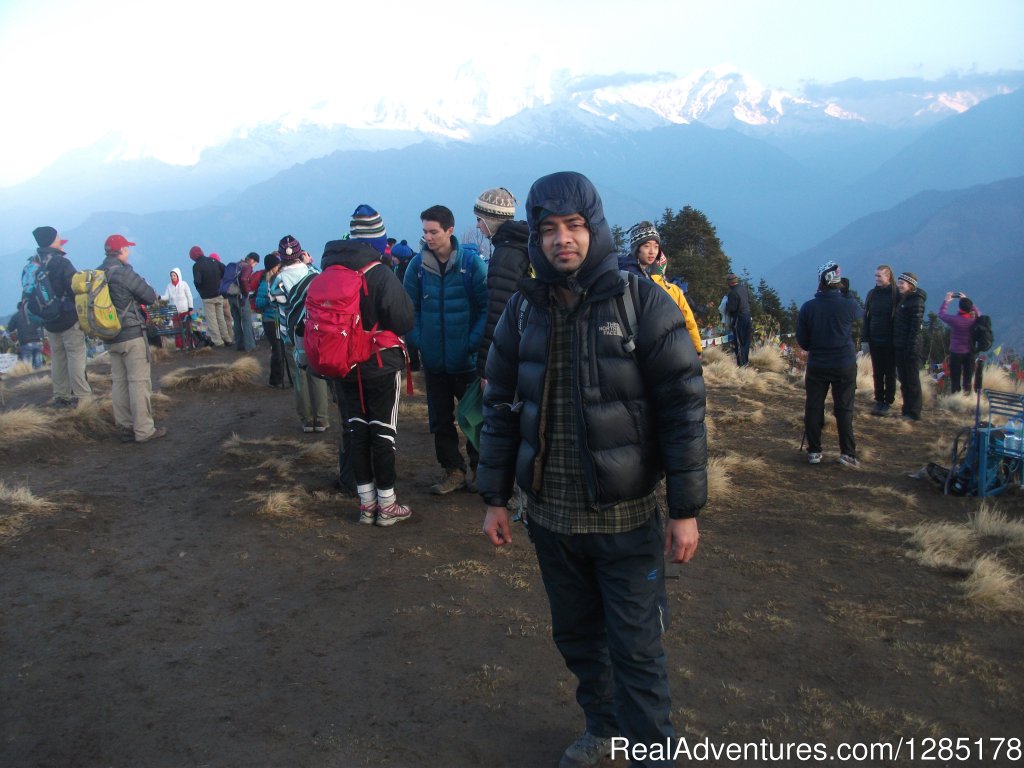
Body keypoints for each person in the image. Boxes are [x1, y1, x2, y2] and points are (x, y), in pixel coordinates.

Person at [479, 171, 707, 768]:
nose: (563, 241)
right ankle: (602, 729)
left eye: (574, 227)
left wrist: (685, 509)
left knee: (635, 644)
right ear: (535, 237)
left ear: (595, 228)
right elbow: (500, 407)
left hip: (624, 515)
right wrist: (495, 497)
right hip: (550, 517)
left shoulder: (641, 302)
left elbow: (684, 407)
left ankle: (653, 747)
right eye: (550, 229)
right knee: (578, 636)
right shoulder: (523, 314)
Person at [321, 205, 415, 525]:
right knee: (383, 434)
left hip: (343, 366)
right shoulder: (379, 273)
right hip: (379, 366)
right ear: (378, 240)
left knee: (356, 432)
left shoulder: (328, 270)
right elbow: (404, 319)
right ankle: (387, 506)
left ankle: (366, 505)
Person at [402, 204, 487, 495]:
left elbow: (487, 307)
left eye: (433, 231)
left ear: (449, 230)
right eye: (424, 230)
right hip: (435, 361)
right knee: (440, 421)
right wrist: (419, 341)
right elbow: (408, 307)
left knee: (475, 419)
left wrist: (472, 343)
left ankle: (481, 470)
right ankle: (453, 470)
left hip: (467, 360)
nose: (428, 236)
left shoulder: (471, 265)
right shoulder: (417, 267)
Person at [796, 261, 864, 467]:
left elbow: (803, 341)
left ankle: (814, 451)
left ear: (821, 281)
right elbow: (860, 315)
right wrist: (848, 294)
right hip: (844, 363)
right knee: (844, 408)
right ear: (838, 282)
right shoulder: (848, 305)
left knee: (814, 406)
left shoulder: (808, 308)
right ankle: (847, 453)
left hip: (818, 364)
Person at [99, 234, 166, 443]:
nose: (129, 251)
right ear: (121, 251)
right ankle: (144, 430)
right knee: (138, 382)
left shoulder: (99, 273)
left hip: (110, 336)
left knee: (119, 382)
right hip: (131, 334)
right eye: (127, 248)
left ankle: (125, 427)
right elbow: (149, 296)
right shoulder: (124, 273)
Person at [270, 235, 332, 432]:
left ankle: (307, 420)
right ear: (300, 253)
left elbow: (275, 302)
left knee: (299, 376)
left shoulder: (278, 280)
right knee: (318, 373)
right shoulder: (312, 273)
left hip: (290, 334)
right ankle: (322, 419)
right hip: (313, 331)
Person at [25, 226, 92, 406]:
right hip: (68, 319)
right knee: (75, 356)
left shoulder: (34, 263)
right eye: (58, 236)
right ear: (52, 239)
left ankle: (60, 396)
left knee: (58, 359)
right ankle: (83, 396)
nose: (60, 238)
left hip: (49, 321)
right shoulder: (61, 263)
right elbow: (75, 289)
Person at [473, 187, 530, 380]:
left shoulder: (506, 254)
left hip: (508, 354)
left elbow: (497, 315)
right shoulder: (523, 244)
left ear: (490, 220)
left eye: (480, 219)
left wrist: (485, 370)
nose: (477, 226)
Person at [626, 221, 703, 356]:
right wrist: (697, 349)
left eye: (656, 247)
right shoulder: (636, 279)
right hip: (644, 348)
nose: (652, 251)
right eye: (646, 246)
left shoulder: (628, 273)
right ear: (636, 248)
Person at [863, 264, 899, 416]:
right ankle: (879, 399)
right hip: (874, 339)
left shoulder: (896, 294)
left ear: (888, 276)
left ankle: (888, 401)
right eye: (875, 276)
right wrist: (865, 339)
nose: (876, 278)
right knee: (877, 372)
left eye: (879, 276)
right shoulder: (872, 294)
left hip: (890, 340)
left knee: (890, 372)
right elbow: (866, 317)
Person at [893, 271, 927, 421]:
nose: (899, 285)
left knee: (912, 380)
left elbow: (915, 328)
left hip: (910, 347)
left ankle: (914, 412)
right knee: (904, 379)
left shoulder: (916, 302)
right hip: (900, 345)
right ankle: (906, 408)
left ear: (910, 285)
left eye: (902, 283)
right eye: (899, 282)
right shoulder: (904, 299)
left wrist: (911, 348)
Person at [254, 252, 287, 388]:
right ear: (273, 267)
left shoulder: (278, 280)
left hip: (278, 319)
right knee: (278, 351)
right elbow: (258, 303)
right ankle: (276, 380)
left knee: (282, 350)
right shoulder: (265, 284)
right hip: (271, 321)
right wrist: (270, 298)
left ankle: (279, 379)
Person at [939, 292, 981, 394]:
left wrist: (946, 301)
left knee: (955, 379)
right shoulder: (974, 320)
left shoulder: (954, 320)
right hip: (970, 352)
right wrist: (969, 302)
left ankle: (956, 399)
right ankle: (967, 398)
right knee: (967, 380)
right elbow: (980, 315)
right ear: (970, 308)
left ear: (960, 308)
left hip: (956, 352)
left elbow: (941, 314)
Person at [189, 246, 231, 346]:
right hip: (219, 293)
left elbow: (197, 281)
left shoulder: (197, 266)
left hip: (207, 297)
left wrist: (201, 290)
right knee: (220, 317)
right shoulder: (213, 261)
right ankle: (227, 338)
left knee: (212, 320)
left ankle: (218, 341)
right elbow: (225, 270)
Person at [229, 252, 259, 352]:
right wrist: (246, 293)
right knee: (246, 321)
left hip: (230, 295)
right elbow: (243, 279)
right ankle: (250, 346)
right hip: (240, 296)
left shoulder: (237, 264)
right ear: (251, 260)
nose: (254, 266)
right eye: (255, 263)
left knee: (236, 321)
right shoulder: (247, 267)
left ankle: (239, 344)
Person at [161, 268, 195, 350]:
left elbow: (189, 296)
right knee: (177, 329)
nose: (173, 277)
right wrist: (160, 297)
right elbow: (166, 297)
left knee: (187, 328)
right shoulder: (169, 286)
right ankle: (179, 346)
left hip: (184, 311)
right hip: (175, 312)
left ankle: (189, 344)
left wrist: (190, 307)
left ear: (178, 275)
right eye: (171, 276)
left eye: (174, 275)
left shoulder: (184, 284)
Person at [724, 273, 753, 366]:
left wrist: (726, 306)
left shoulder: (732, 293)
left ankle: (741, 364)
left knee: (739, 342)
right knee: (746, 341)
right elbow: (750, 301)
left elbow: (731, 308)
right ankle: (746, 361)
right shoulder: (744, 289)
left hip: (739, 318)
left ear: (729, 283)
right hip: (748, 316)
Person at [8, 301, 45, 369]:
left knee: (27, 367)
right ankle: (41, 379)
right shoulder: (34, 315)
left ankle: (30, 379)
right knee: (39, 366)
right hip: (38, 342)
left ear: (19, 308)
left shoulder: (16, 316)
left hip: (26, 343)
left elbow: (10, 329)